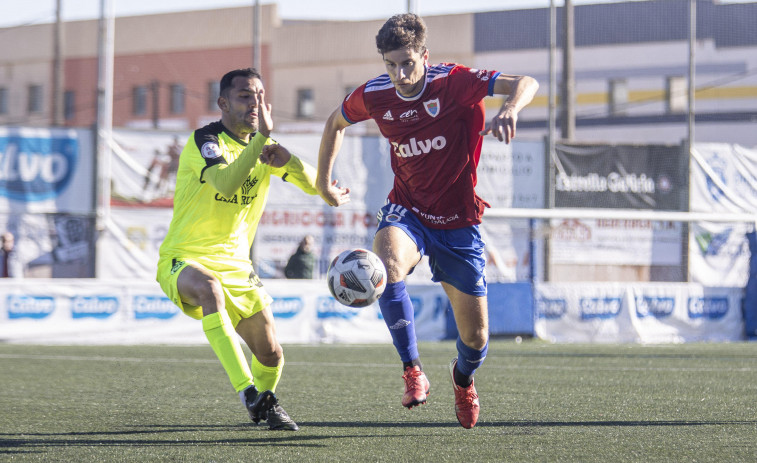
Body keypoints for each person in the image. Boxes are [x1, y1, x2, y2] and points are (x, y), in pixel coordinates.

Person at [316, 14, 538, 429]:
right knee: (385, 264)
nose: (399, 74)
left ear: (424, 56)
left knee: (476, 339)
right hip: (408, 211)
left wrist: (509, 108)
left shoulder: (453, 82)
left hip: (458, 223)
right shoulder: (377, 95)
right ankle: (412, 369)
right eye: (391, 64)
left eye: (407, 63)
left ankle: (462, 379)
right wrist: (322, 182)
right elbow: (335, 123)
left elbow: (526, 82)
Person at [157, 68, 321, 431]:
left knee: (272, 354)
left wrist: (286, 157)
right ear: (224, 103)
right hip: (185, 257)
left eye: (260, 96)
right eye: (246, 95)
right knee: (208, 290)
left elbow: (313, 187)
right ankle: (248, 392)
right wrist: (261, 141)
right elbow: (227, 184)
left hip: (237, 266)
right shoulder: (206, 139)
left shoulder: (262, 147)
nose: (255, 103)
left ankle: (265, 406)